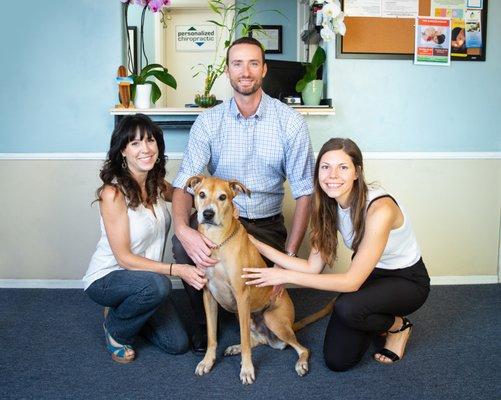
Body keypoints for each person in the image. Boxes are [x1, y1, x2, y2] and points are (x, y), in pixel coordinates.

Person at [171, 36, 315, 354]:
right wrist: (182, 230)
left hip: (265, 226)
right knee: (183, 248)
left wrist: (288, 260)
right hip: (219, 220)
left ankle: (250, 318)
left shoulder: (290, 122)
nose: (245, 71)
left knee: (261, 285)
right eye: (237, 64)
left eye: (253, 63)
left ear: (263, 69)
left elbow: (305, 192)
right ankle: (203, 327)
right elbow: (183, 183)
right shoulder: (208, 121)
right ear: (228, 71)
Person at [242, 138, 430, 371]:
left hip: (406, 281)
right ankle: (375, 313)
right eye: (325, 167)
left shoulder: (380, 209)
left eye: (342, 167)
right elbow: (312, 267)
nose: (332, 175)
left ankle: (398, 326)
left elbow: (351, 282)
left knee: (346, 307)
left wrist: (283, 276)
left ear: (357, 172)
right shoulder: (327, 206)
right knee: (338, 360)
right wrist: (255, 244)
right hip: (369, 275)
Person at [83, 114, 208, 363]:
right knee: (159, 286)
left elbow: (188, 197)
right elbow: (125, 259)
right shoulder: (113, 193)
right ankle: (115, 330)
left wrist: (215, 201)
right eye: (136, 143)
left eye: (150, 140)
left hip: (146, 281)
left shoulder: (156, 184)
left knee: (178, 344)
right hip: (109, 278)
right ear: (122, 151)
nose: (146, 149)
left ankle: (131, 307)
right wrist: (177, 269)